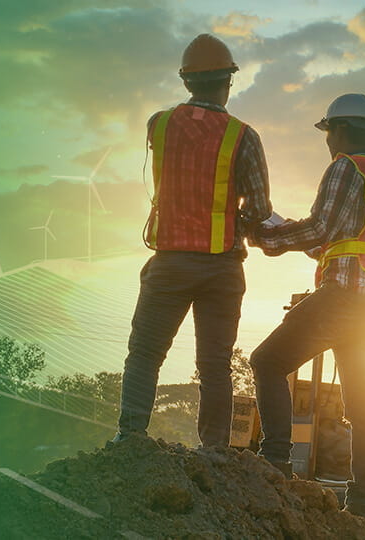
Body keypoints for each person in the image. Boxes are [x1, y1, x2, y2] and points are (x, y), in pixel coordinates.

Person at [111, 34, 272, 448]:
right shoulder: (244, 136)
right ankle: (215, 454)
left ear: (186, 82)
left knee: (145, 354)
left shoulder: (158, 125)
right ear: (228, 82)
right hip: (221, 266)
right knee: (215, 365)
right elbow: (258, 206)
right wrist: (228, 224)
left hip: (170, 263)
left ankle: (130, 440)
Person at [249, 93, 365, 518]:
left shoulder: (344, 167)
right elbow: (341, 243)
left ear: (340, 130)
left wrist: (268, 237)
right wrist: (296, 239)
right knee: (363, 404)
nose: (327, 142)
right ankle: (362, 500)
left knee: (266, 361)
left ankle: (276, 460)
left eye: (328, 132)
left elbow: (319, 227)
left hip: (343, 300)